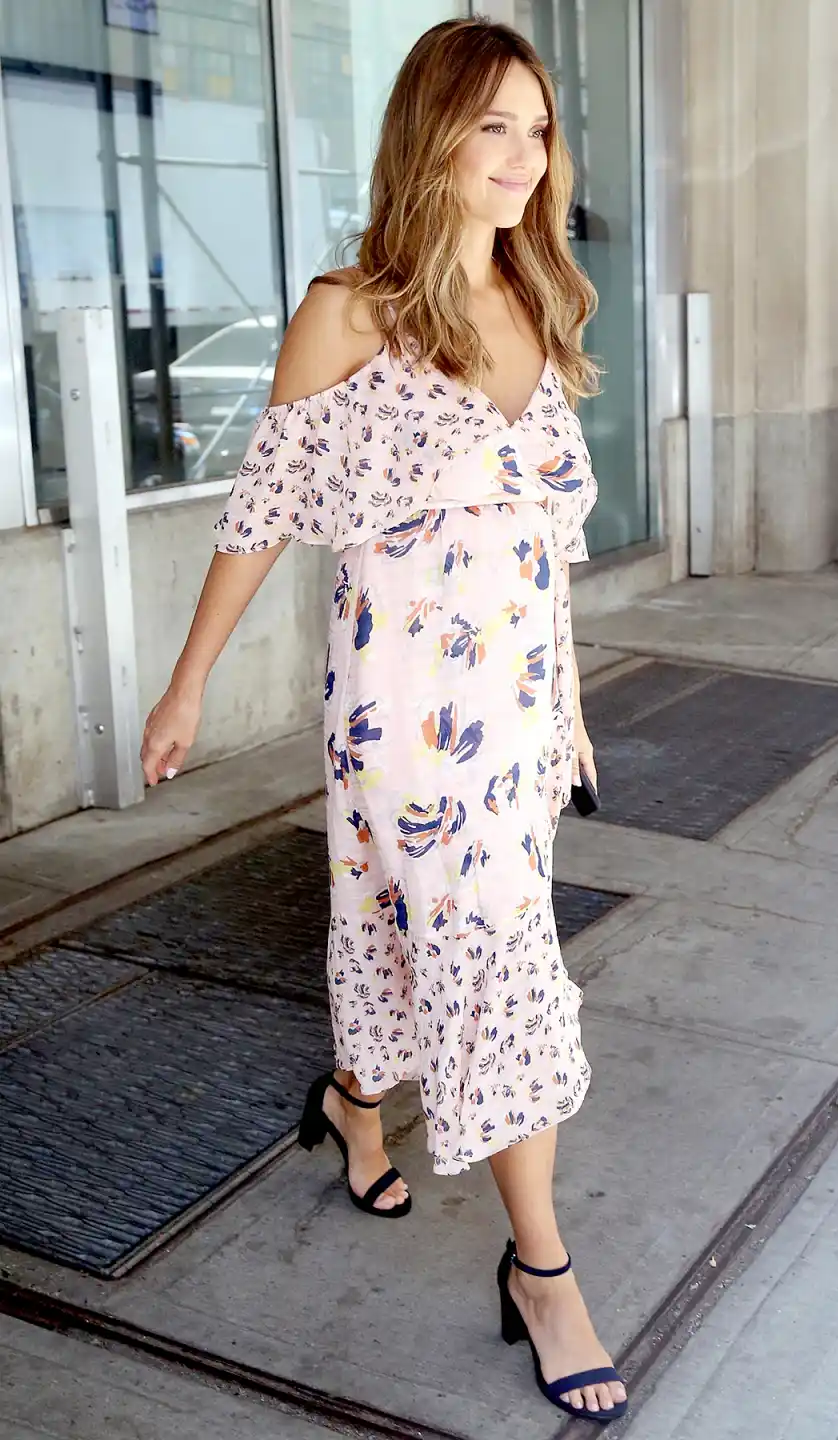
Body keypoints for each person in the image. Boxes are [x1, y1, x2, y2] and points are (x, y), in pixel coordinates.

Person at [139, 17, 627, 1426]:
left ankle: (355, 1104)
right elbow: (261, 513)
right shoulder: (348, 312)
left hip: (516, 715)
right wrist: (187, 681)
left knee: (410, 934)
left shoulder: (538, 304)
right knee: (495, 957)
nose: (523, 157)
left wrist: (569, 706)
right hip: (405, 713)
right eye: (491, 126)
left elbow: (544, 550)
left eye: (538, 129)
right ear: (430, 137)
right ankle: (543, 1273)